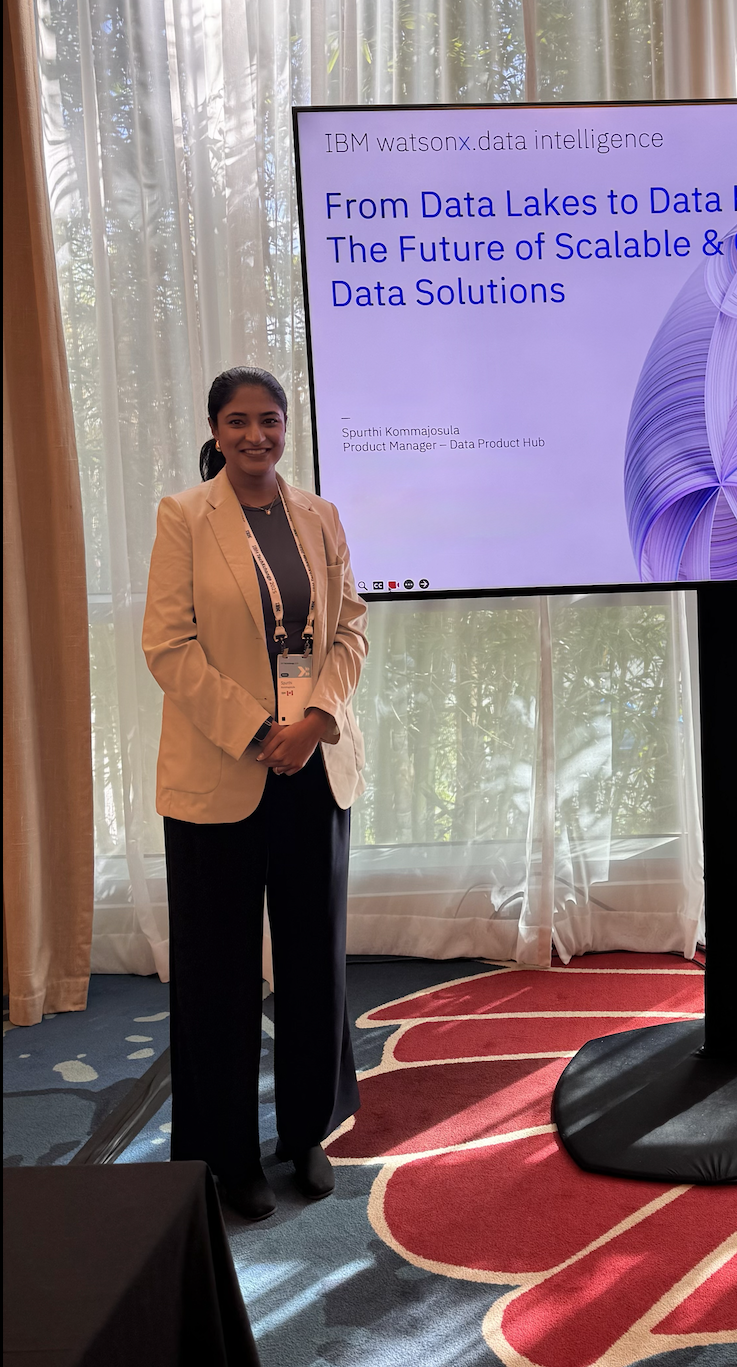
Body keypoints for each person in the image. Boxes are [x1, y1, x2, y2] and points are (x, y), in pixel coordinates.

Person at [142, 366, 368, 1220]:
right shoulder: (182, 518)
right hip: (220, 773)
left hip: (313, 766)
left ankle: (305, 1132)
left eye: (269, 421)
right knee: (217, 974)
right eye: (238, 423)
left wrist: (314, 718)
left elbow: (349, 626)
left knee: (313, 960)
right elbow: (168, 645)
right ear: (215, 428)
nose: (255, 437)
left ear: (286, 427)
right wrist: (253, 730)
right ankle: (226, 1155)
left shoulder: (319, 515)